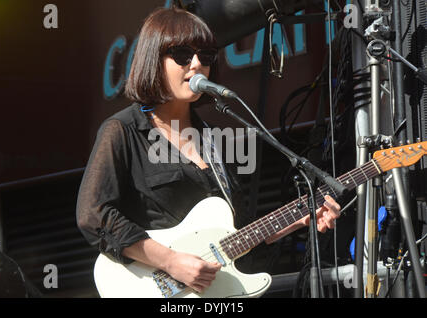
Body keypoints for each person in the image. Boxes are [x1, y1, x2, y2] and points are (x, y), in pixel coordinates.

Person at [76, 6, 341, 295]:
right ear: (154, 59)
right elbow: (93, 215)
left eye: (206, 57)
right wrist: (171, 261)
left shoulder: (211, 140)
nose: (196, 65)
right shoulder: (123, 130)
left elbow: (234, 232)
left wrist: (298, 219)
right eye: (182, 55)